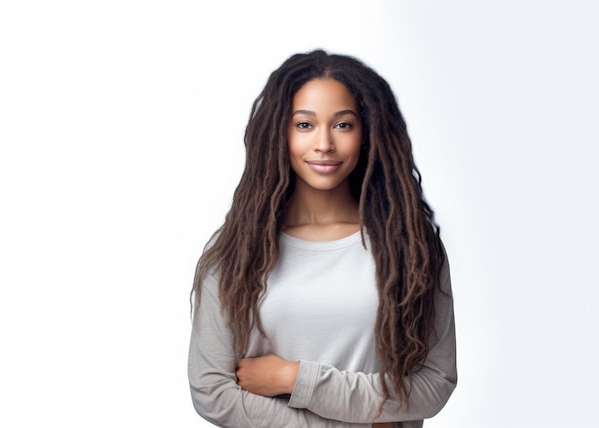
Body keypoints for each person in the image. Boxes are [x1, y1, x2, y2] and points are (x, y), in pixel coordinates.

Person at [188, 49, 457, 427]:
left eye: (343, 125)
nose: (324, 144)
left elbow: (434, 382)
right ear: (279, 132)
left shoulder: (410, 247)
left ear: (367, 134)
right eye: (304, 125)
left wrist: (294, 379)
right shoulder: (236, 251)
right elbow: (213, 393)